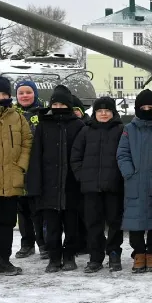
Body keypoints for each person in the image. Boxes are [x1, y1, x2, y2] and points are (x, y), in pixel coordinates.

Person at [26, 84, 85, 272]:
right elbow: (36, 157)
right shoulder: (44, 126)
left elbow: (82, 155)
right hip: (49, 186)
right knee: (51, 227)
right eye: (55, 104)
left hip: (71, 186)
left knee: (71, 226)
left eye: (62, 104)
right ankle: (53, 257)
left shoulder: (78, 126)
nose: (58, 107)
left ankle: (69, 256)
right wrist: (34, 185)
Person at [117, 90, 152, 273]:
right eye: (143, 107)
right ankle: (139, 254)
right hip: (134, 182)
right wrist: (129, 173)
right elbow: (122, 153)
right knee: (134, 223)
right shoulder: (129, 129)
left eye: (150, 107)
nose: (147, 109)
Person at [70, 95, 125, 273]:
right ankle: (95, 257)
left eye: (107, 110)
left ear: (113, 112)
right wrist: (82, 176)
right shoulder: (86, 131)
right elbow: (76, 157)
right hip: (91, 187)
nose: (103, 114)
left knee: (115, 222)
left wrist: (120, 177)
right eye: (99, 111)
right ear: (94, 113)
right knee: (93, 223)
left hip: (114, 186)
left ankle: (114, 254)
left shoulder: (121, 130)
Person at [0, 76, 32, 278]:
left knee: (7, 224)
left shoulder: (17, 117)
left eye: (4, 94)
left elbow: (27, 143)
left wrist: (21, 167)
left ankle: (2, 261)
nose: (0, 97)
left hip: (11, 179)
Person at [13, 79, 44, 259]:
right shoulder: (12, 114)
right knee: (22, 209)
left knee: (38, 209)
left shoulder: (42, 114)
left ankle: (43, 243)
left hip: (38, 166)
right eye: (21, 93)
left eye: (28, 92)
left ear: (35, 93)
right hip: (17, 166)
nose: (25, 96)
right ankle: (27, 244)